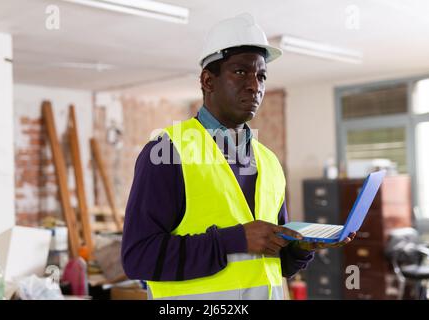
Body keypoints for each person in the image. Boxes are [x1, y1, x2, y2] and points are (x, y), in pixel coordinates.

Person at [121, 13, 355, 300]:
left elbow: (272, 261)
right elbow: (138, 257)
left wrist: (300, 248)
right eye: (241, 72)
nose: (255, 86)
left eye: (261, 76)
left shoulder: (268, 162)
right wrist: (233, 239)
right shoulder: (167, 152)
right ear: (208, 80)